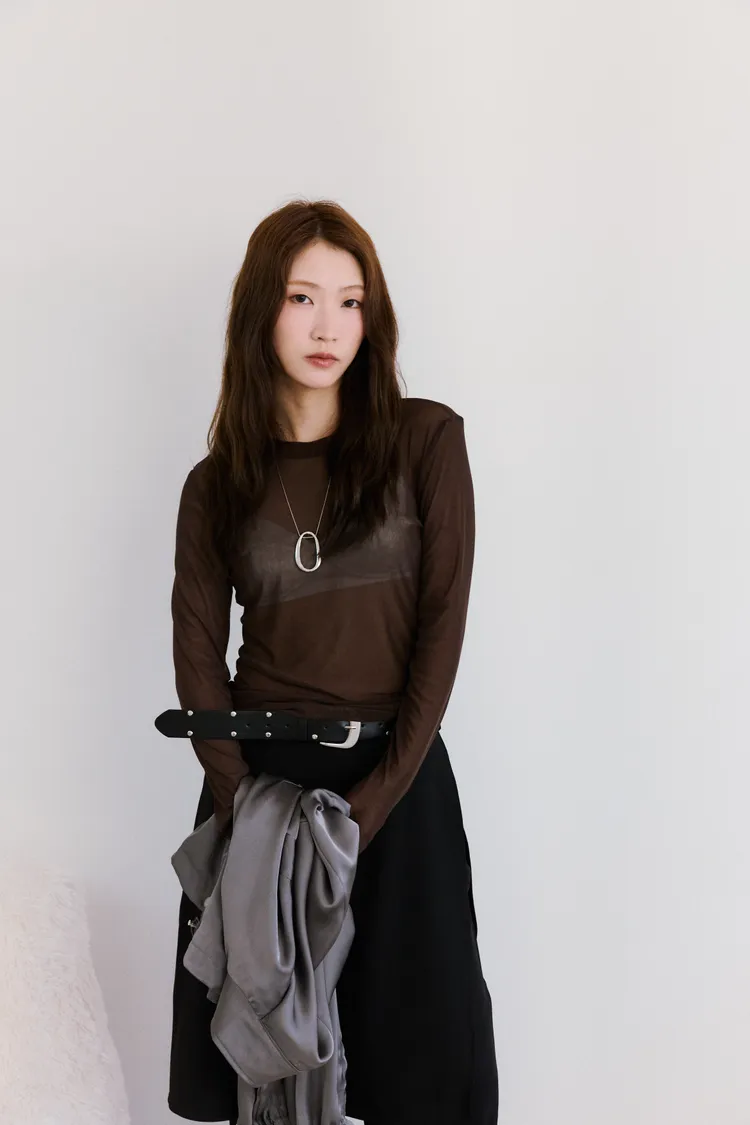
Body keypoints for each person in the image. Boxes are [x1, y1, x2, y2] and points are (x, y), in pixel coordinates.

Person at [166, 198, 499, 1125]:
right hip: (260, 789)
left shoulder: (426, 440)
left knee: (426, 1061)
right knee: (264, 1071)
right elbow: (197, 652)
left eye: (350, 302)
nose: (327, 327)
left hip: (397, 784)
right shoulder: (217, 485)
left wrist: (370, 805)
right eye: (302, 297)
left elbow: (442, 627)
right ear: (260, 311)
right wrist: (242, 808)